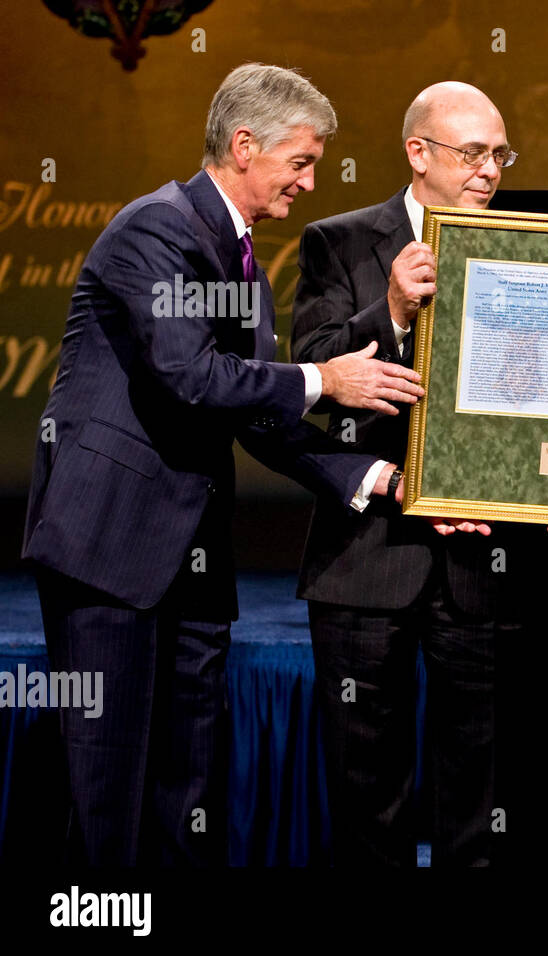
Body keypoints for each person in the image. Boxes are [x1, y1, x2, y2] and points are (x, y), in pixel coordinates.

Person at [21, 63, 425, 866]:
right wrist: (323, 377)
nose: (310, 183)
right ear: (245, 145)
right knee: (106, 788)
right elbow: (190, 376)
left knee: (188, 785)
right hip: (111, 552)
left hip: (192, 568)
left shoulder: (240, 264)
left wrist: (377, 478)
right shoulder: (156, 230)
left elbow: (254, 412)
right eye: (301, 162)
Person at [291, 81, 548, 868]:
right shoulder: (342, 241)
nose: (490, 170)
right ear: (418, 153)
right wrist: (391, 311)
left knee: (484, 795)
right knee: (367, 791)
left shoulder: (536, 250)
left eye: (500, 153)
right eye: (472, 153)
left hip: (487, 558)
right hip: (370, 558)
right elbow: (307, 375)